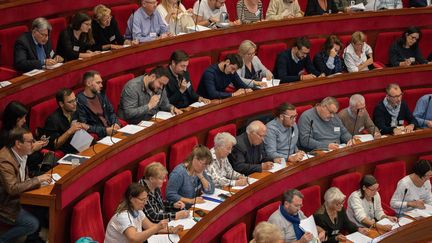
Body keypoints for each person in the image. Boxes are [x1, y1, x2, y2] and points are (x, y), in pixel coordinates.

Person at [0, 127, 51, 243]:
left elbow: (23, 178)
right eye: (30, 141)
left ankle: (32, 239)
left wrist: (37, 182)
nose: (33, 144)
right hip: (5, 204)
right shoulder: (4, 161)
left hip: (18, 197)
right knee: (32, 224)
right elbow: (12, 189)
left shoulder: (21, 152)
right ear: (18, 143)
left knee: (43, 205)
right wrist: (37, 180)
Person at [105, 183, 183, 243]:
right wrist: (157, 228)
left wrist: (172, 230)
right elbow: (134, 238)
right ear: (131, 199)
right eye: (142, 200)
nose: (145, 203)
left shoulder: (138, 210)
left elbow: (150, 226)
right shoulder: (123, 216)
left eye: (146, 199)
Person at [118, 66, 183, 124]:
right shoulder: (132, 87)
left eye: (163, 85)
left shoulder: (160, 87)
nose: (161, 87)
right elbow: (129, 113)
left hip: (151, 121)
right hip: (133, 124)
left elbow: (165, 104)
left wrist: (171, 108)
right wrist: (149, 106)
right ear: (152, 77)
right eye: (160, 83)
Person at [0, 101, 48, 175]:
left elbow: (29, 142)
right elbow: (12, 159)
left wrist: (38, 142)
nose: (25, 120)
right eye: (23, 118)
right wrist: (33, 148)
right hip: (21, 172)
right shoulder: (5, 136)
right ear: (15, 119)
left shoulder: (23, 126)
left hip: (34, 164)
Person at [43, 88, 89, 154]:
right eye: (70, 102)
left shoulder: (75, 110)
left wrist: (83, 126)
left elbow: (81, 124)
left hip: (78, 142)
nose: (75, 104)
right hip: (66, 149)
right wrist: (70, 131)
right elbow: (54, 145)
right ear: (61, 104)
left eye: (75, 100)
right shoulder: (53, 120)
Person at [76, 70, 121, 138]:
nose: (101, 85)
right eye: (98, 83)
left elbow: (111, 112)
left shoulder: (101, 95)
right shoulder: (79, 101)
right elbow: (85, 125)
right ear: (88, 83)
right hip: (100, 135)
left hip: (111, 130)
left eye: (101, 82)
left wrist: (115, 123)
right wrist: (105, 130)